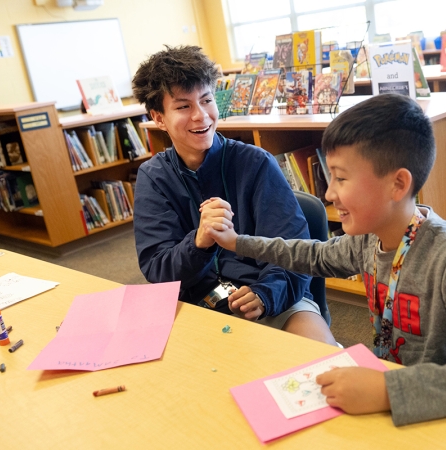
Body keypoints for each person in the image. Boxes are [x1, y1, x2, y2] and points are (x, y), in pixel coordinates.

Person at [202, 94, 446, 426]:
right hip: (388, 394)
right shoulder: (369, 239)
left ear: (398, 185)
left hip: (444, 413)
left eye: (341, 178)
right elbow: (312, 254)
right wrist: (237, 243)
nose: (329, 193)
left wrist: (388, 391)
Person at [131, 45, 335, 345]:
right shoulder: (154, 178)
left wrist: (265, 295)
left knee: (324, 364)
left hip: (274, 299)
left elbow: (296, 253)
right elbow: (158, 271)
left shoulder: (256, 163)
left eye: (206, 100)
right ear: (158, 118)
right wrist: (199, 243)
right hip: (198, 306)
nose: (201, 116)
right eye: (183, 106)